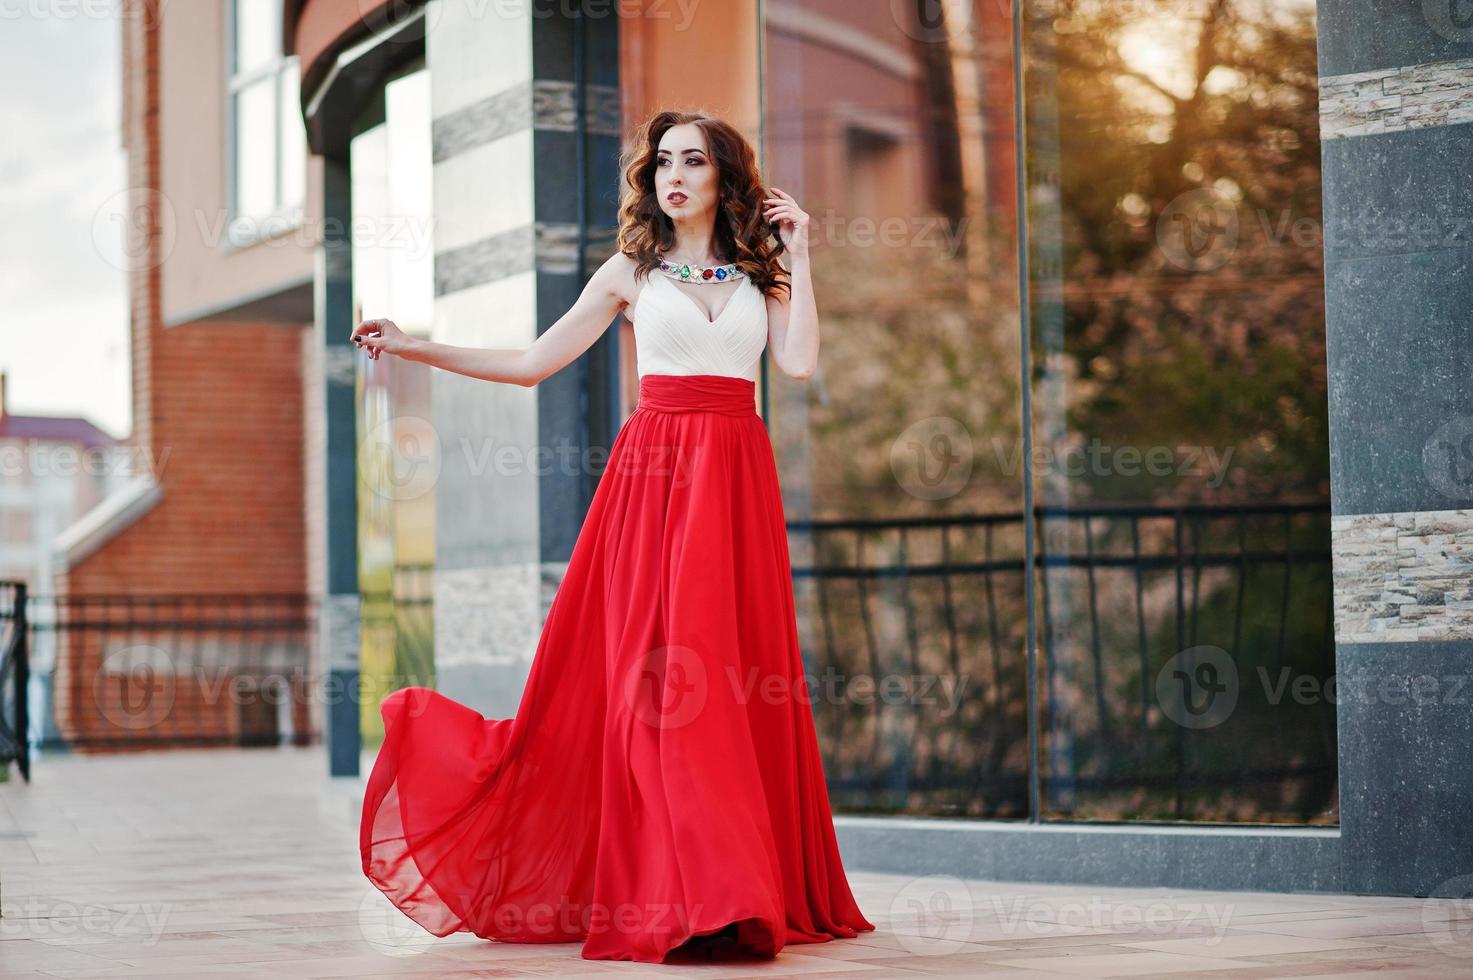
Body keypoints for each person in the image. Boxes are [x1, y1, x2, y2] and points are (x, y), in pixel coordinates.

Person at [351, 109, 875, 964]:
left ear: (722, 176)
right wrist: (415, 347)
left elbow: (799, 364)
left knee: (727, 682)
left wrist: (802, 258)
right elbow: (530, 363)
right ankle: (692, 895)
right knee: (655, 688)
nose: (674, 175)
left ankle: (730, 894)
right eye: (662, 161)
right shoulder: (630, 273)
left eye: (693, 160)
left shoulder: (761, 270)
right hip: (652, 485)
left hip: (734, 480)